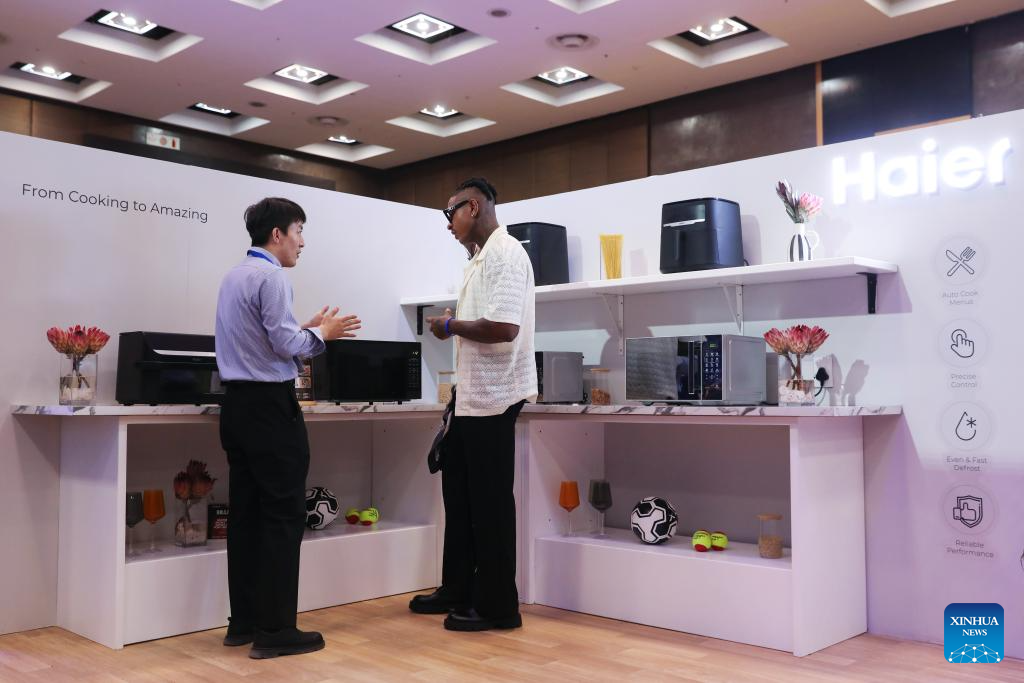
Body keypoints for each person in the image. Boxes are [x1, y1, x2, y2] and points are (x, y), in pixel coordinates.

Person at [215, 197, 361, 658]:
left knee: (245, 516)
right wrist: (322, 335)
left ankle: (243, 623)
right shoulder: (274, 276)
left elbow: (263, 339)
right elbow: (283, 345)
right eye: (298, 230)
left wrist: (304, 329)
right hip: (270, 408)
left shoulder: (234, 276)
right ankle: (276, 631)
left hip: (236, 407)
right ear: (276, 234)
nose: (302, 241)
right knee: (283, 516)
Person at [410, 178, 537, 631]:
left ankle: (499, 607)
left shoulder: (505, 253)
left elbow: (504, 328)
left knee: (490, 505)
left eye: (451, 213)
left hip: (496, 397)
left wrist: (450, 326)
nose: (449, 223)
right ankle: (458, 588)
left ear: (475, 206)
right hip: (471, 398)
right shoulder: (479, 258)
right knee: (460, 499)